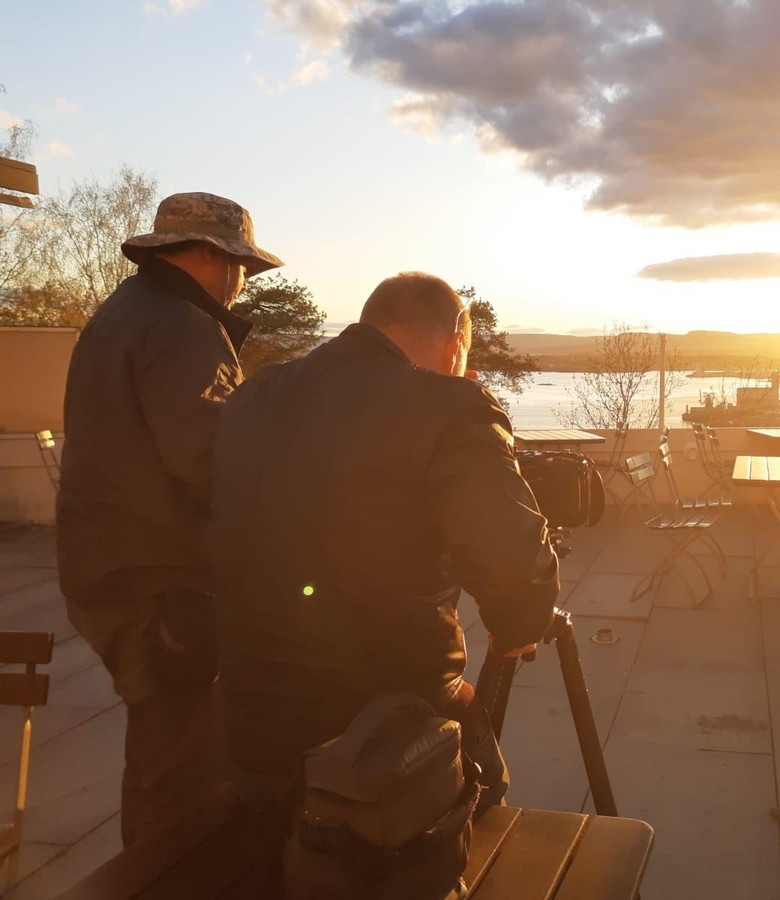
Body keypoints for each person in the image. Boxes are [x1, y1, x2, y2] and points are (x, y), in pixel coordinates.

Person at [211, 272, 560, 815]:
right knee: (488, 786)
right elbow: (511, 558)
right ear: (454, 344)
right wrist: (519, 625)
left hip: (246, 710)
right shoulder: (449, 406)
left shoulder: (257, 391)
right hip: (381, 722)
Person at [56, 192, 283, 846]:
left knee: (165, 751)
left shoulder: (123, 314)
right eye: (241, 267)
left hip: (109, 570)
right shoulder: (184, 325)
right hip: (160, 584)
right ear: (214, 256)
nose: (242, 284)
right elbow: (215, 462)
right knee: (183, 771)